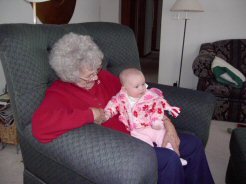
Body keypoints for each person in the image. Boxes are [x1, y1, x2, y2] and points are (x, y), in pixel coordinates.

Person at [32, 32, 215, 184]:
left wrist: (168, 123)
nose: (96, 78)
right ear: (69, 75)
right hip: (124, 148)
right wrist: (89, 114)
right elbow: (40, 127)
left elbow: (142, 96)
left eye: (96, 70)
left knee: (193, 144)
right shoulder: (59, 93)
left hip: (143, 129)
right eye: (88, 76)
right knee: (169, 160)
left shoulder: (102, 76)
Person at [104, 68, 187, 166]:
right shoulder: (120, 98)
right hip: (136, 130)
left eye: (143, 84)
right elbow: (112, 105)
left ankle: (174, 155)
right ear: (125, 88)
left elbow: (158, 106)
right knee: (145, 147)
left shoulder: (149, 95)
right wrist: (107, 113)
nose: (142, 88)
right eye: (137, 86)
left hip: (151, 125)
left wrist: (156, 119)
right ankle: (155, 161)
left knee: (162, 135)